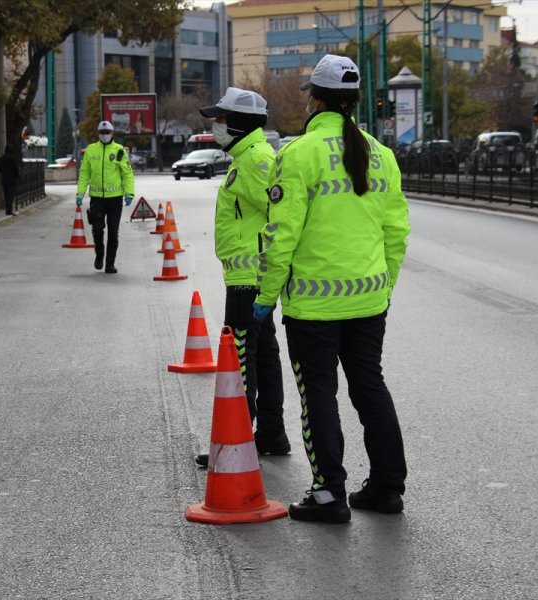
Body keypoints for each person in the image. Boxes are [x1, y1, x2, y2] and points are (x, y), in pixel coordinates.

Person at [254, 55, 411, 523]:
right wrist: (383, 287)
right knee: (370, 387)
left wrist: (264, 299)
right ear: (356, 102)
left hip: (314, 306)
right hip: (368, 300)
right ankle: (386, 488)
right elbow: (396, 233)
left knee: (318, 393)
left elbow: (281, 237)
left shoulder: (298, 154)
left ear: (314, 98)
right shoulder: (381, 154)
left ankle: (329, 495)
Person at [194, 87, 290, 468]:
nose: (216, 125)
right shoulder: (247, 156)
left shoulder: (256, 160)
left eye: (221, 118)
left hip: (250, 277)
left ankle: (238, 439)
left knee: (240, 359)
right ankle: (270, 434)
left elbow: (279, 212)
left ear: (238, 122)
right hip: (250, 275)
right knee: (263, 353)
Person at [75, 120, 135, 274]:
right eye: (102, 132)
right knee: (98, 229)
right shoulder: (90, 150)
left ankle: (110, 264)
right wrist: (80, 193)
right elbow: (84, 174)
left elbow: (127, 174)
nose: (105, 135)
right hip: (97, 198)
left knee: (113, 233)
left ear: (112, 134)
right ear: (98, 134)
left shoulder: (120, 151)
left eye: (107, 132)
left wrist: (129, 193)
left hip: (115, 199)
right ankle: (99, 255)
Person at [0, 143, 22, 215]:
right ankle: (9, 210)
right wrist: (18, 176)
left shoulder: (1, 158)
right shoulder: (12, 158)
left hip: (4, 179)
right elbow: (16, 169)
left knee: (6, 195)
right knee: (10, 196)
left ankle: (8, 210)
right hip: (12, 180)